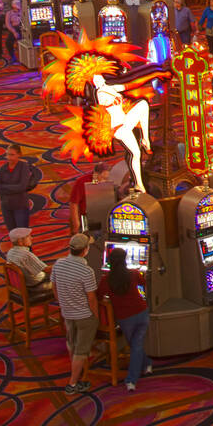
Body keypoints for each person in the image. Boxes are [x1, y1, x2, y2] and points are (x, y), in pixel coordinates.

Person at [97, 246, 152, 391]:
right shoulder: (133, 273)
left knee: (135, 345)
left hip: (125, 318)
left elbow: (98, 296)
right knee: (136, 345)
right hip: (141, 312)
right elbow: (144, 283)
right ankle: (147, 364)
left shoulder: (106, 280)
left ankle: (131, 380)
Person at [51, 233, 99, 394]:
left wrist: (62, 303)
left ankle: (76, 373)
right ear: (85, 250)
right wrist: (96, 316)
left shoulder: (58, 263)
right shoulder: (86, 271)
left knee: (72, 343)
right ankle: (72, 383)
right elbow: (91, 298)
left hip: (67, 313)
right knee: (81, 350)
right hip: (84, 315)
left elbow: (54, 286)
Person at [91, 73, 151, 191]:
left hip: (125, 123)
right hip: (119, 127)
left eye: (99, 78)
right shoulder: (100, 93)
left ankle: (139, 184)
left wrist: (150, 75)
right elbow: (102, 107)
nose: (98, 80)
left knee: (136, 154)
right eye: (95, 80)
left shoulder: (111, 88)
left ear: (103, 78)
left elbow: (129, 85)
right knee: (143, 105)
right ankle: (145, 139)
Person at [0, 142, 42, 231]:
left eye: (12, 155)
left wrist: (5, 187)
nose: (9, 157)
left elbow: (22, 186)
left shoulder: (23, 167)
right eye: (7, 154)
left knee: (22, 234)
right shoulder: (3, 168)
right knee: (13, 234)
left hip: (20, 206)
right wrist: (14, 188)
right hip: (6, 206)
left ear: (19, 155)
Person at [6, 226, 52, 296]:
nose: (31, 238)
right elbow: (46, 269)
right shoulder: (26, 255)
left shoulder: (10, 252)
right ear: (20, 241)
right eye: (28, 236)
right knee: (65, 277)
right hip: (37, 286)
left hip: (24, 285)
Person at [68, 160, 109, 234]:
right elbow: (73, 203)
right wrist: (76, 224)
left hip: (101, 217)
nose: (103, 180)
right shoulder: (82, 182)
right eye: (102, 177)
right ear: (96, 174)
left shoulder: (106, 183)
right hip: (85, 218)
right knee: (87, 239)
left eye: (106, 178)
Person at [4, 0, 22, 64]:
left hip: (22, 28)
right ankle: (13, 57)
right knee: (8, 42)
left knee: (23, 42)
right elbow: (7, 24)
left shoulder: (23, 11)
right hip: (13, 29)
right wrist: (14, 32)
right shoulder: (9, 13)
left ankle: (23, 57)